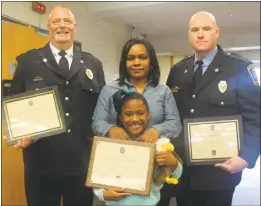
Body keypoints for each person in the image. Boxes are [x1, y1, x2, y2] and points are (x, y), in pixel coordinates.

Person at [6, 6, 105, 206]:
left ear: (74, 27)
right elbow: (12, 103)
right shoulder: (28, 62)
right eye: (56, 21)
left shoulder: (92, 64)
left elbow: (101, 109)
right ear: (48, 27)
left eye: (67, 21)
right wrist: (15, 132)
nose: (62, 26)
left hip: (81, 162)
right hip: (41, 162)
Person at [159, 11, 260, 206]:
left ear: (217, 32)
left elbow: (256, 117)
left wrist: (246, 157)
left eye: (206, 29)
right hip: (184, 170)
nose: (200, 34)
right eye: (195, 30)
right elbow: (171, 116)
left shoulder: (239, 68)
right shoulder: (178, 71)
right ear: (189, 34)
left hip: (220, 171)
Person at [93, 90, 183, 205]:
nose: (135, 119)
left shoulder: (159, 144)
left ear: (148, 114)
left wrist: (173, 163)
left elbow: (177, 174)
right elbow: (96, 179)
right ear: (121, 117)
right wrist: (103, 195)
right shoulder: (110, 146)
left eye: (140, 113)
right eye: (128, 114)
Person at [92, 38, 182, 143]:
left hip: (153, 154)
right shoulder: (109, 89)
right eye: (130, 58)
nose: (136, 63)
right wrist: (110, 129)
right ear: (124, 63)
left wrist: (157, 130)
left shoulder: (163, 91)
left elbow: (175, 124)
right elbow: (97, 122)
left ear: (151, 61)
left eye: (142, 57)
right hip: (117, 153)